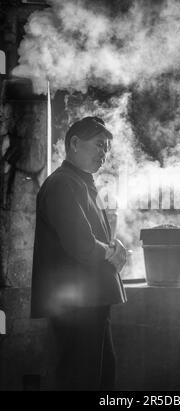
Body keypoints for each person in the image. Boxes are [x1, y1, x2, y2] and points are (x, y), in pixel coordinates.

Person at [31, 116, 127, 390]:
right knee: (83, 378)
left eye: (107, 148)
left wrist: (113, 245)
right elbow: (80, 242)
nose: (104, 154)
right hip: (78, 304)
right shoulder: (63, 183)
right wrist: (111, 253)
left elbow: (94, 237)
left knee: (100, 374)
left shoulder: (79, 182)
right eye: (99, 145)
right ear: (74, 143)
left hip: (89, 301)